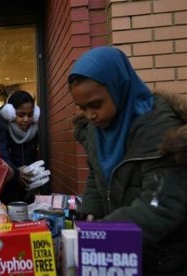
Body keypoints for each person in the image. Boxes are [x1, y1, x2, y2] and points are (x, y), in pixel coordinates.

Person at [69, 46, 187, 275]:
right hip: (124, 252)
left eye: (95, 104)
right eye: (82, 108)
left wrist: (105, 230)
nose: (90, 115)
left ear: (119, 87)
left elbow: (162, 206)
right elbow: (96, 173)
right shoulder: (97, 130)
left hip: (165, 258)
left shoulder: (161, 130)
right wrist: (91, 210)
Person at [0, 90, 45, 203]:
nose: (26, 120)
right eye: (21, 115)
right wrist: (15, 172)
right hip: (4, 194)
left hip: (27, 193)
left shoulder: (35, 132)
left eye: (30, 115)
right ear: (10, 113)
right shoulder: (0, 130)